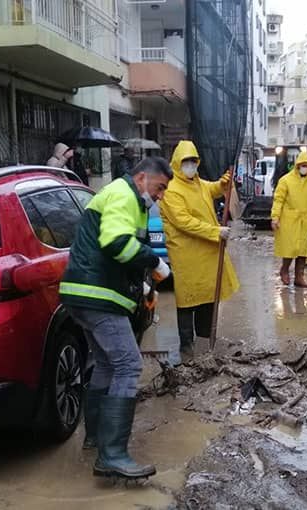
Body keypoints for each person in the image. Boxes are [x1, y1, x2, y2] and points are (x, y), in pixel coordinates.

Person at [59, 157, 173, 480]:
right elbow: (117, 243)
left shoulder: (128, 199)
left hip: (84, 293)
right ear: (142, 178)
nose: (160, 195)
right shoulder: (124, 195)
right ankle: (112, 455)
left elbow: (116, 252)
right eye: (160, 187)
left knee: (107, 365)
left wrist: (143, 285)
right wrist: (155, 262)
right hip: (98, 296)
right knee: (129, 364)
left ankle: (95, 438)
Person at [159, 141, 240, 358]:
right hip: (187, 254)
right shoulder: (171, 190)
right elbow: (183, 222)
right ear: (177, 163)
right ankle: (187, 349)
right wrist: (215, 232)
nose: (190, 165)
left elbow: (211, 189)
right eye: (186, 161)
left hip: (207, 253)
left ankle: (204, 346)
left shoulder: (197, 182)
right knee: (187, 300)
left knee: (207, 297)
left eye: (193, 161)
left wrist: (222, 184)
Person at [271, 151, 307, 288]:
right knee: (290, 249)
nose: (305, 167)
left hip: (305, 221)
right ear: (297, 165)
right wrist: (275, 217)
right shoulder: (286, 180)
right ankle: (284, 270)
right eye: (302, 165)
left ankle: (299, 277)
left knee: (303, 251)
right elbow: (278, 200)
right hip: (289, 220)